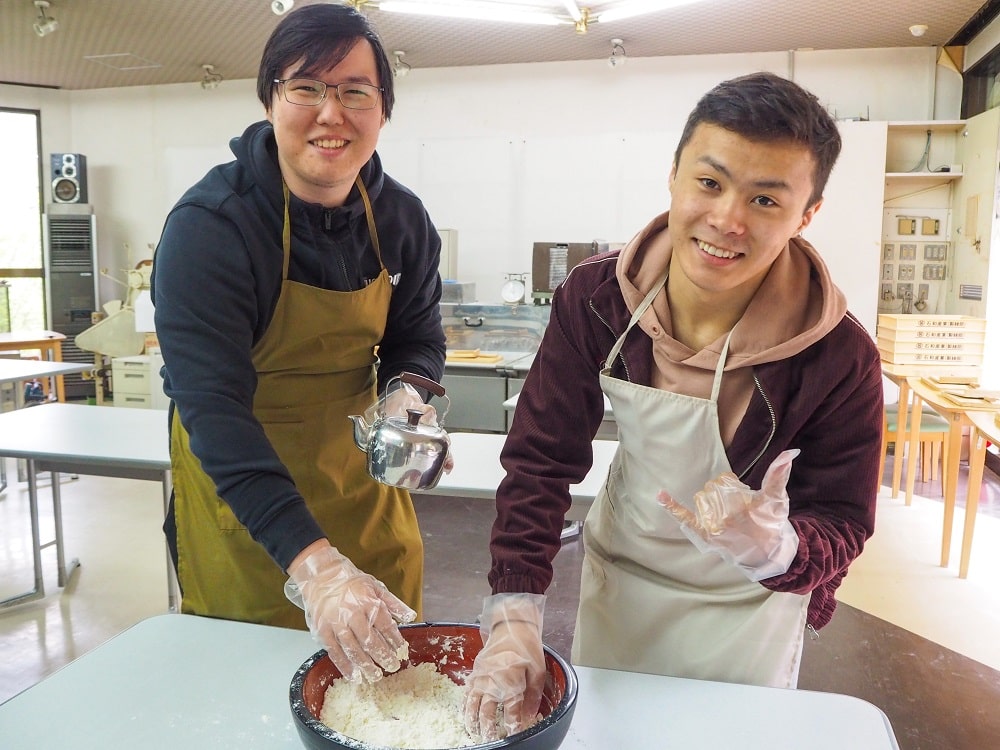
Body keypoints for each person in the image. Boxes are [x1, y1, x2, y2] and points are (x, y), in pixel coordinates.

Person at [464, 71, 883, 739]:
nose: (726, 220)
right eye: (709, 183)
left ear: (808, 216)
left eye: (766, 200)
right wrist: (514, 611)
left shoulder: (837, 355)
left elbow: (844, 519)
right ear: (674, 176)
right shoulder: (597, 299)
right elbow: (541, 459)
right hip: (624, 583)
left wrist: (776, 549)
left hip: (751, 610)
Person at [150, 3, 447, 684]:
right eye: (306, 87)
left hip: (363, 498)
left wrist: (407, 396)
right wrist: (314, 567)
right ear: (270, 99)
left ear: (383, 108)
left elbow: (417, 335)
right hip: (247, 511)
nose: (330, 112)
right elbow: (214, 410)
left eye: (354, 91)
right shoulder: (211, 228)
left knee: (388, 693)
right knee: (249, 697)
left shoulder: (400, 218)